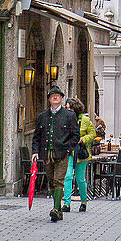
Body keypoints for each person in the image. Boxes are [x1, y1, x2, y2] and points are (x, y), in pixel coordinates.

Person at [32, 85, 80, 223]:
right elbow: (37, 136)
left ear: (61, 98)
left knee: (59, 180)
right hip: (47, 153)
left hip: (62, 153)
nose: (55, 97)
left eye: (58, 96)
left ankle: (54, 209)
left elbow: (75, 136)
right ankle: (58, 210)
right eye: (52, 96)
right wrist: (35, 151)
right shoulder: (42, 116)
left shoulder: (69, 116)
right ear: (49, 99)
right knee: (52, 182)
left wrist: (68, 148)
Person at [61, 97, 97, 213]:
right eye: (66, 108)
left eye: (69, 108)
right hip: (69, 152)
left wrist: (83, 139)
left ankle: (83, 201)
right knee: (68, 176)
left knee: (80, 179)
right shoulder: (65, 119)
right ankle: (67, 203)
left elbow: (92, 134)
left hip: (81, 153)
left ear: (75, 109)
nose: (67, 110)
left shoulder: (85, 120)